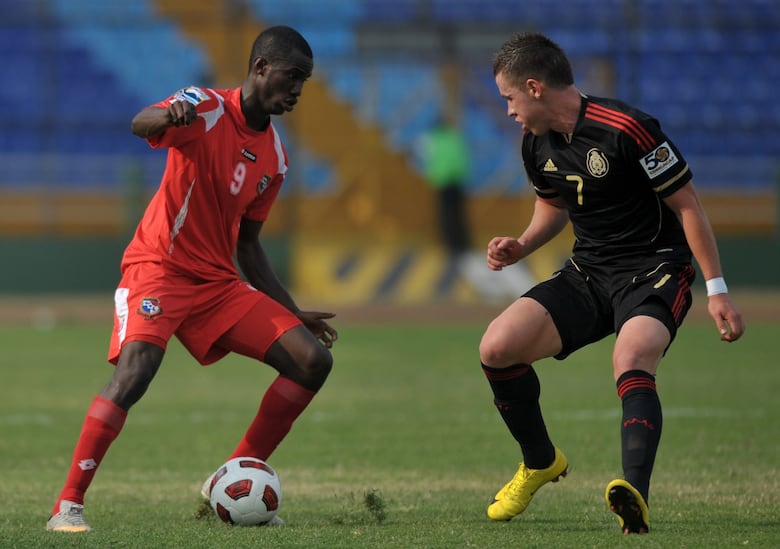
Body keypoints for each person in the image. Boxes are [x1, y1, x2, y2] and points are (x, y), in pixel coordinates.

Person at [46, 26, 337, 533]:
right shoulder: (205, 106)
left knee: (312, 361)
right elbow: (140, 122)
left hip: (217, 284)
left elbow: (249, 245)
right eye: (292, 76)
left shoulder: (276, 157)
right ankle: (67, 505)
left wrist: (291, 312)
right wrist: (167, 115)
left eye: (304, 82)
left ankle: (231, 477)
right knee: (136, 371)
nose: (296, 90)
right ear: (261, 67)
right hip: (158, 268)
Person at [478, 32, 744, 534]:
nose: (509, 111)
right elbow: (553, 204)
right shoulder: (535, 141)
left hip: (655, 268)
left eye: (509, 98)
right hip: (589, 271)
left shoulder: (628, 129)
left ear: (534, 87)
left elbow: (687, 205)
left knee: (632, 355)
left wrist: (717, 289)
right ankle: (539, 461)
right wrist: (522, 245)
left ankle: (634, 496)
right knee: (497, 347)